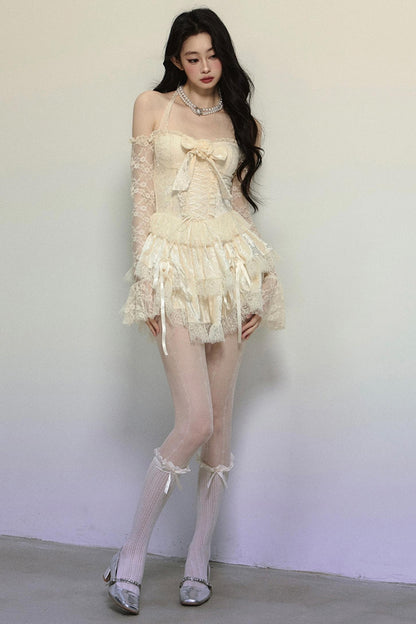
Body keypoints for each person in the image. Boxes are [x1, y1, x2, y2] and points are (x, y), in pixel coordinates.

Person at [103, 7, 285, 616]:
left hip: (229, 272)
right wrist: (147, 284)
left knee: (220, 427)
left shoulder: (241, 120)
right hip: (172, 269)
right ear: (175, 61)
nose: (205, 67)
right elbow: (142, 199)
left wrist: (262, 283)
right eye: (192, 57)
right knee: (195, 422)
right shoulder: (151, 106)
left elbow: (238, 205)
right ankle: (130, 554)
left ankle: (198, 559)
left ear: (224, 56)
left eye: (213, 55)